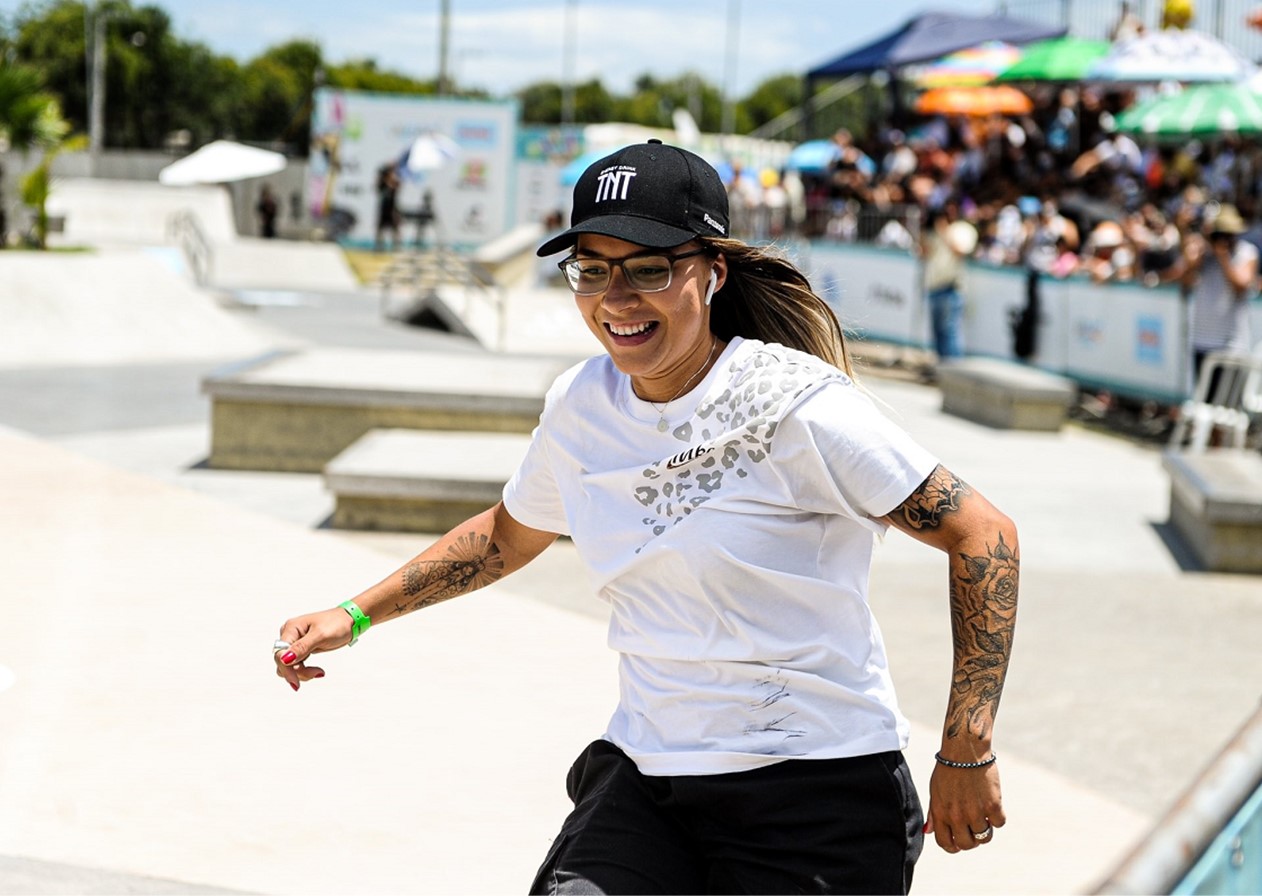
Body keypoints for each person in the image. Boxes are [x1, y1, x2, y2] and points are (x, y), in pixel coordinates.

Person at [273, 140, 1020, 895]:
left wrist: (967, 744)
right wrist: (354, 614)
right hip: (650, 778)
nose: (616, 298)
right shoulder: (581, 404)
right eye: (591, 270)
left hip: (819, 792)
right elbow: (506, 536)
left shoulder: (796, 405)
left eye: (649, 268)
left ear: (713, 272)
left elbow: (983, 535)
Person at [1179, 203, 1258, 392]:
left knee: (1224, 407)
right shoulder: (1203, 253)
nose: (1224, 240)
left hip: (1230, 344)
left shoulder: (1246, 252)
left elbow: (1240, 287)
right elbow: (1186, 281)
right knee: (1204, 403)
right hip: (1201, 340)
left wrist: (1223, 258)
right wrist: (1193, 254)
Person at [919, 202, 975, 364]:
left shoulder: (963, 229)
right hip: (934, 286)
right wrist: (924, 229)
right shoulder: (935, 231)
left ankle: (954, 368)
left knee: (950, 331)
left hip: (951, 288)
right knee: (937, 332)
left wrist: (944, 231)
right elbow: (923, 252)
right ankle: (941, 369)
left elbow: (960, 251)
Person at [375, 163, 401, 252]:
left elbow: (397, 186)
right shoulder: (382, 183)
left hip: (392, 209)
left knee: (395, 230)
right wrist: (384, 179)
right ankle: (379, 247)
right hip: (384, 209)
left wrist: (391, 179)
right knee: (380, 229)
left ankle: (396, 248)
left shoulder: (395, 182)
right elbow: (377, 188)